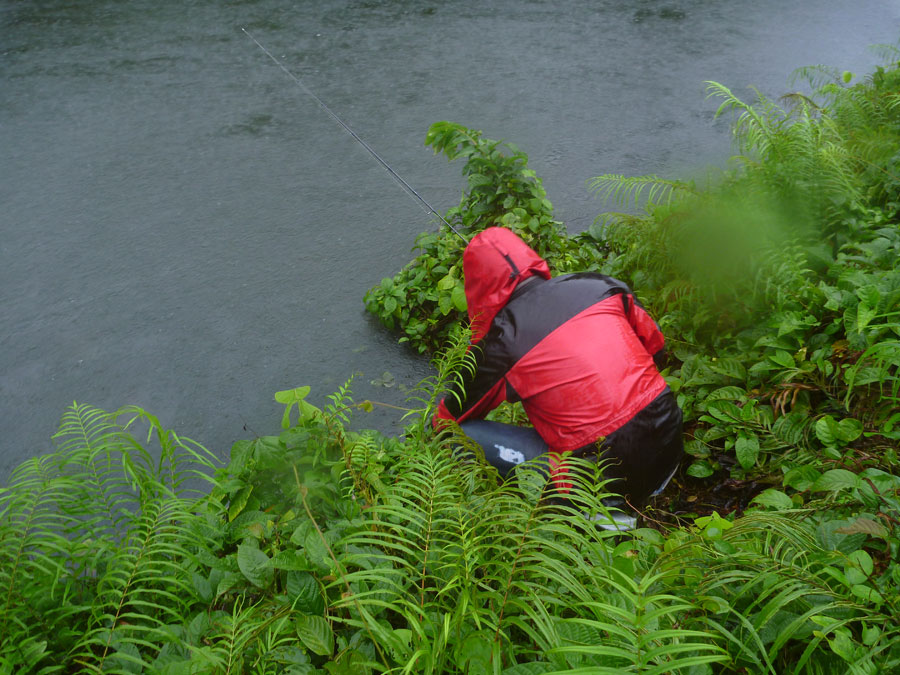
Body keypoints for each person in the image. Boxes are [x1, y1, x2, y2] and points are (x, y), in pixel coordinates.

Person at [433, 227, 683, 520]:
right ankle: (642, 494)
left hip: (600, 479)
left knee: (458, 434)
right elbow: (656, 348)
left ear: (477, 286)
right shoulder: (599, 285)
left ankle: (597, 518)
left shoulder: (501, 340)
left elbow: (447, 417)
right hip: (668, 444)